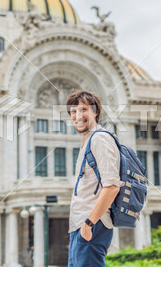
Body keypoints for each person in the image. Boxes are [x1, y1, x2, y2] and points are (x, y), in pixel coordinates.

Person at [66, 90, 121, 267]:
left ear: (95, 111)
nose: (78, 115)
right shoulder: (87, 141)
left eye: (83, 109)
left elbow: (112, 186)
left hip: (92, 224)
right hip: (79, 226)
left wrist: (88, 224)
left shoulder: (100, 138)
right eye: (73, 111)